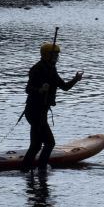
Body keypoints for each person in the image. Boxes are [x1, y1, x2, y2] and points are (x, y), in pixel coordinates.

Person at [21, 40, 83, 172]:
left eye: (57, 55)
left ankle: (26, 169)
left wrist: (75, 80)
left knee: (36, 145)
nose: (57, 58)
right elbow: (28, 89)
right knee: (49, 143)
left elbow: (64, 87)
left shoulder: (51, 70)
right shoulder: (37, 69)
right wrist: (40, 90)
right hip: (34, 111)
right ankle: (41, 169)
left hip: (41, 111)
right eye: (54, 55)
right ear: (46, 55)